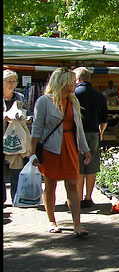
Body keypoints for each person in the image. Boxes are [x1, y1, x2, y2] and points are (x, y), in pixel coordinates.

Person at [30, 67, 91, 236]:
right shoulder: (44, 101)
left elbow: (79, 129)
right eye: (72, 80)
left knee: (73, 184)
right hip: (51, 148)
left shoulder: (73, 101)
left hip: (70, 146)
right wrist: (32, 153)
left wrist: (85, 149)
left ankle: (77, 225)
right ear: (62, 82)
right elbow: (36, 129)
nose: (75, 83)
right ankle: (51, 221)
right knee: (50, 185)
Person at [74, 67, 108, 208]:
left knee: (79, 167)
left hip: (76, 134)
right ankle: (88, 197)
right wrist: (100, 132)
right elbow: (104, 119)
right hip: (94, 133)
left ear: (78, 79)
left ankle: (78, 197)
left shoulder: (74, 94)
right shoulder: (99, 95)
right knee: (92, 166)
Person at [4, 69, 29, 204]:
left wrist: (24, 117)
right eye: (9, 81)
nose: (12, 84)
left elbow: (28, 114)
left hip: (16, 139)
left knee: (16, 171)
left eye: (14, 81)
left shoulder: (19, 97)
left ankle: (16, 198)